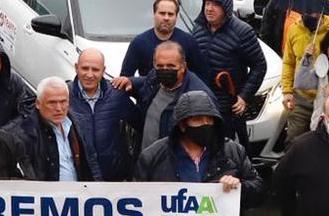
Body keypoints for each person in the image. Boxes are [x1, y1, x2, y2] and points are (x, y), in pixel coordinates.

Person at [134, 92, 259, 192]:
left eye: (210, 119)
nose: (205, 124)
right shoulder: (153, 156)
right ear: (182, 125)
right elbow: (137, 195)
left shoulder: (233, 151)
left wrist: (239, 187)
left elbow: (258, 187)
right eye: (197, 120)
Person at [191, 0, 266, 144]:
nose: (209, 9)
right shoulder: (198, 28)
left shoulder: (242, 32)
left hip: (228, 106)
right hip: (201, 102)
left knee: (229, 151)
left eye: (215, 4)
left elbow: (259, 65)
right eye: (207, 3)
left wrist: (244, 96)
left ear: (225, 7)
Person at [68, 49, 138, 180]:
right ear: (76, 67)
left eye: (95, 70)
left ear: (103, 70)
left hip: (113, 178)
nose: (89, 74)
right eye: (84, 68)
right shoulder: (65, 95)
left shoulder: (117, 95)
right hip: (80, 179)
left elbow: (140, 124)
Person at [132, 40, 214, 145]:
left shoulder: (199, 98)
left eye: (171, 66)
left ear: (183, 67)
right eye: (160, 66)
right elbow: (145, 80)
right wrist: (130, 81)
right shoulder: (154, 79)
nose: (165, 70)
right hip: (146, 157)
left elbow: (206, 141)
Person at [279, 5, 329, 143]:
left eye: (312, 11)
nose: (308, 15)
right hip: (300, 99)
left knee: (322, 144)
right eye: (305, 11)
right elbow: (288, 62)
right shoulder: (294, 29)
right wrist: (287, 91)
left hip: (324, 99)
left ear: (321, 12)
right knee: (294, 141)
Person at [25, 77, 91, 182]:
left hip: (79, 195)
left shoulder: (78, 123)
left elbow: (90, 165)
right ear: (38, 104)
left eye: (63, 102)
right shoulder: (26, 132)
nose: (59, 108)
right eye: (52, 103)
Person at [120, 0, 201, 80]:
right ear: (154, 14)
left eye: (170, 14)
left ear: (176, 17)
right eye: (162, 13)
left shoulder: (189, 42)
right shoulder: (138, 43)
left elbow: (201, 76)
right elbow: (125, 79)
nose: (166, 18)